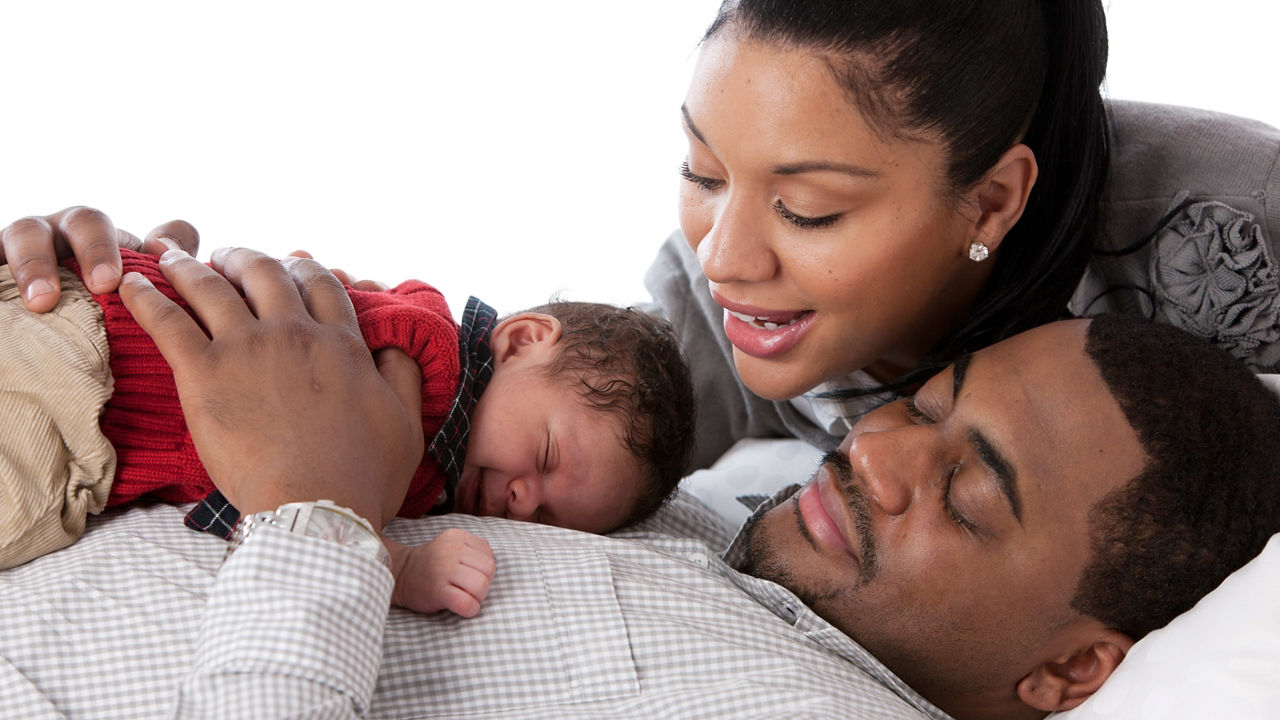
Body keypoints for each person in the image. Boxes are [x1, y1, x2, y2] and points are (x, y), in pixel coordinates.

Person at [3, 248, 1277, 720]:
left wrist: (310, 513)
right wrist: (113, 305)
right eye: (920, 404)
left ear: (1069, 672)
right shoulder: (715, 508)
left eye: (968, 491)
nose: (873, 451)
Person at [0, 1, 1115, 474]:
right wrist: (115, 320)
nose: (721, 258)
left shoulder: (1196, 268)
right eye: (702, 174)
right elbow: (551, 414)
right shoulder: (700, 320)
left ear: (989, 204)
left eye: (808, 209)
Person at [0, 248, 696, 617]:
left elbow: (270, 493)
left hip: (92, 404)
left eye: (546, 517)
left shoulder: (433, 463)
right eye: (544, 457)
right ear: (521, 340)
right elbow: (317, 492)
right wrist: (402, 569)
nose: (522, 499)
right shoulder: (430, 363)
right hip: (90, 364)